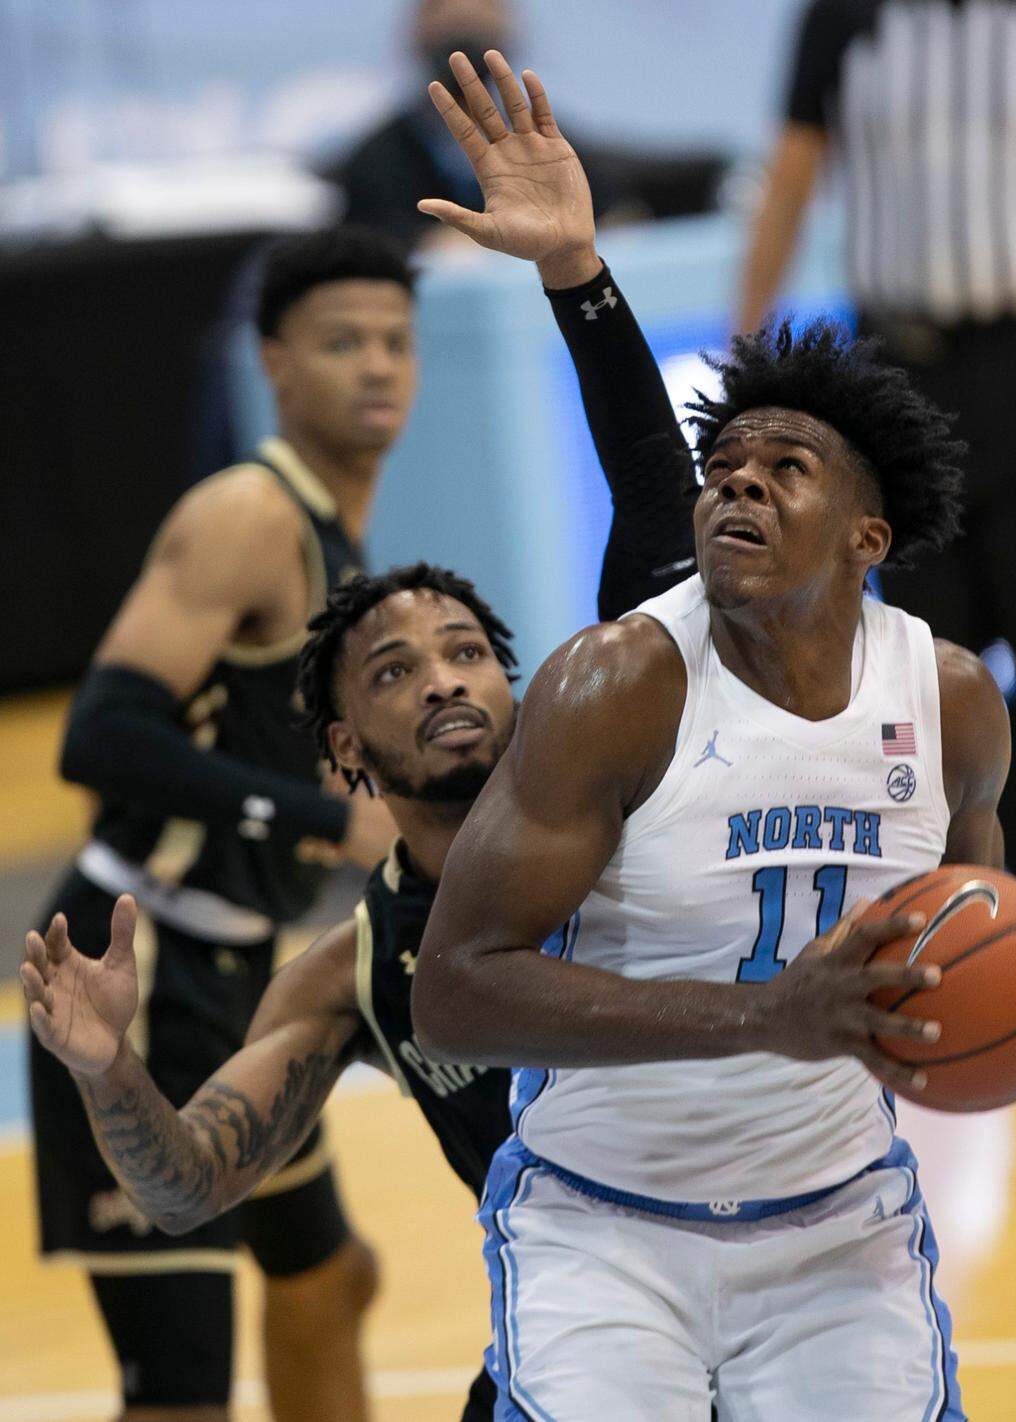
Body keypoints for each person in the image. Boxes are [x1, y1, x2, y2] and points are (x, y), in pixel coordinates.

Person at [404, 53, 1016, 1420]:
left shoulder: (951, 699)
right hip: (608, 1223)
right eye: (722, 469)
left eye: (784, 471)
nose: (736, 488)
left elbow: (969, 926)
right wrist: (763, 1018)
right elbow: (454, 991)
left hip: (836, 1223)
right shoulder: (618, 684)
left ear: (869, 537)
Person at [19, 58, 699, 1418]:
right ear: (343, 750)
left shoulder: (609, 799)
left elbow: (657, 507)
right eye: (396, 668)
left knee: (328, 1283)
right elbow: (185, 1174)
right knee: (191, 1366)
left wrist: (576, 267)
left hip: (762, 1293)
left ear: (526, 696)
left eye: (467, 652)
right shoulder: (356, 962)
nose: (444, 677)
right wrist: (107, 1064)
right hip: (161, 947)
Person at [28, 227, 417, 1422]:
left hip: (243, 970)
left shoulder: (342, 535)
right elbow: (97, 738)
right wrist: (313, 817)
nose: (376, 367)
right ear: (272, 362)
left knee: (328, 1279)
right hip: (132, 977)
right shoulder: (250, 513)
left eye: (398, 343)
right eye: (341, 341)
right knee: (182, 1388)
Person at [738, 0, 1016, 930]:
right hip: (899, 374)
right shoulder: (842, 16)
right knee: (915, 670)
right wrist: (749, 359)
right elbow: (792, 176)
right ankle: (943, 918)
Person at [327, 0, 727, 252]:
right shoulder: (376, 160)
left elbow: (616, 200)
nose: (465, 11)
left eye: (486, 3)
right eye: (442, 4)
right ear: (413, 31)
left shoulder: (548, 138)